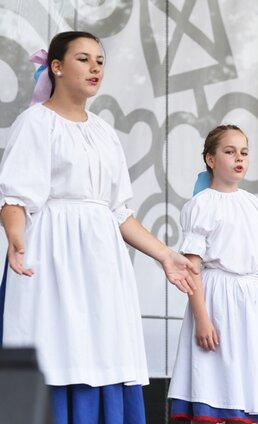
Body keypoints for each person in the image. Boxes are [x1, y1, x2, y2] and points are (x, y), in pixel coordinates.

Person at [0, 31, 197, 423]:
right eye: (84, 59)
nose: (95, 68)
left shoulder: (105, 132)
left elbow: (119, 212)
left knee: (104, 351)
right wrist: (17, 238)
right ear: (56, 67)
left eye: (100, 61)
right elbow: (14, 197)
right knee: (56, 348)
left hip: (101, 263)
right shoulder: (36, 122)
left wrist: (165, 255)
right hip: (53, 256)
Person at [167, 125, 258, 422]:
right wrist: (202, 319)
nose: (239, 158)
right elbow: (192, 267)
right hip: (218, 300)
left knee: (249, 386)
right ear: (210, 159)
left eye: (244, 152)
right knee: (216, 385)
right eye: (229, 152)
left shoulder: (254, 205)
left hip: (252, 301)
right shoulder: (201, 205)